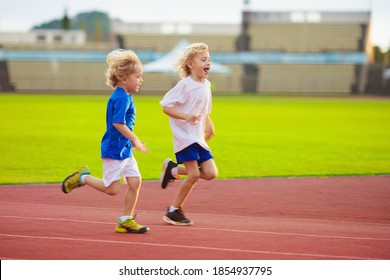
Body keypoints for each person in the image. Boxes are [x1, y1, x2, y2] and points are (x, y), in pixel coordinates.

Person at [62, 49, 149, 234]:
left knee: (135, 182)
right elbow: (118, 123)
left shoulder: (125, 96)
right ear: (125, 78)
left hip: (124, 149)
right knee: (111, 189)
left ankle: (125, 220)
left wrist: (130, 143)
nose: (141, 80)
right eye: (138, 76)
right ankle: (82, 177)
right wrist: (135, 139)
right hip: (114, 149)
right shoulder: (121, 98)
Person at [159, 42, 218, 226]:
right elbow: (166, 106)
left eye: (209, 59)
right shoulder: (185, 85)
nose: (208, 62)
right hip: (184, 136)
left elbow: (204, 109)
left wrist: (209, 124)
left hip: (197, 137)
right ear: (191, 64)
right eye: (203, 59)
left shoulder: (206, 84)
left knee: (210, 173)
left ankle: (173, 170)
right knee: (193, 175)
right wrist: (186, 116)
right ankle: (173, 210)